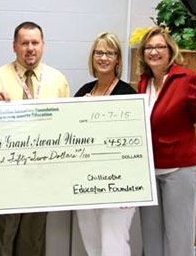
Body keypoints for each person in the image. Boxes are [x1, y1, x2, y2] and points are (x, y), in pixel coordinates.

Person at [0, 21, 69, 256]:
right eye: (24, 43)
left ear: (43, 46)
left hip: (40, 174)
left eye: (35, 43)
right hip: (5, 174)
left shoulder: (58, 80)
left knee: (33, 240)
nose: (30, 48)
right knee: (0, 238)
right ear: (14, 46)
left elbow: (66, 126)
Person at [136, 26, 196, 256]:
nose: (154, 52)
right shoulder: (144, 82)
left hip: (179, 169)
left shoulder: (187, 78)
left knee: (178, 238)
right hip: (150, 170)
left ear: (170, 50)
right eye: (149, 48)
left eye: (160, 47)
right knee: (151, 238)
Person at [74, 32, 136, 256]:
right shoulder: (83, 92)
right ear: (92, 57)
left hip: (117, 184)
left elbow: (134, 143)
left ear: (118, 59)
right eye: (99, 52)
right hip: (86, 182)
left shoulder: (127, 94)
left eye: (109, 53)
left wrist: (132, 186)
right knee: (92, 246)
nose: (103, 58)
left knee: (113, 246)